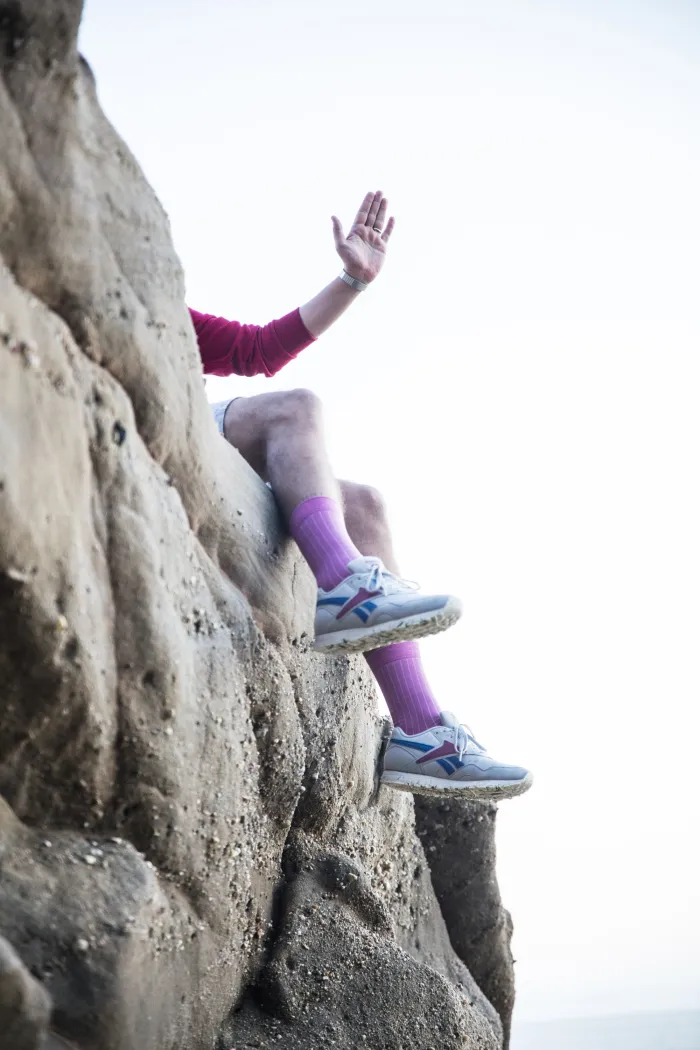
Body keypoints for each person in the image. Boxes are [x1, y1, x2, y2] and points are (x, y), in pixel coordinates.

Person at [190, 191, 531, 800]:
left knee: (366, 505)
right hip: (169, 425)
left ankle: (421, 733)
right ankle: (346, 586)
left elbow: (257, 350)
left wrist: (353, 279)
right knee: (297, 408)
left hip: (202, 427)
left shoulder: (153, 304)